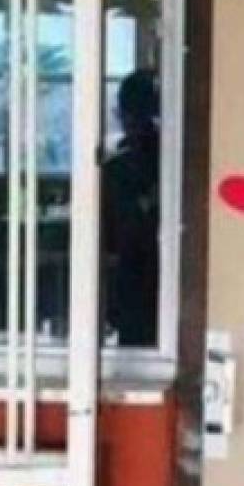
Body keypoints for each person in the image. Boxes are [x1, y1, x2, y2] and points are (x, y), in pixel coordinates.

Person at [102, 68, 161, 347]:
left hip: (132, 274)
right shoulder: (176, 160)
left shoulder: (118, 167)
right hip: (161, 273)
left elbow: (109, 236)